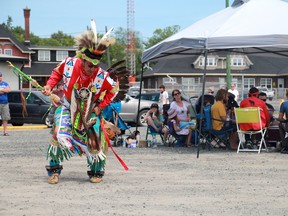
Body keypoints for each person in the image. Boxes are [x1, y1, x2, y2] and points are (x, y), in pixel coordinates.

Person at [41, 24, 120, 184]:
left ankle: (96, 171)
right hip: (67, 106)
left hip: (89, 110)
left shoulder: (102, 76)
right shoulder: (69, 64)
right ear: (83, 60)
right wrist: (49, 85)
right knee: (58, 133)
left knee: (95, 136)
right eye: (90, 65)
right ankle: (54, 170)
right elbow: (56, 73)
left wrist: (100, 106)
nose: (93, 69)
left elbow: (114, 90)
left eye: (96, 66)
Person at [0, 72, 11, 136]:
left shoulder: (5, 83)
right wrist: (4, 90)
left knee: (5, 118)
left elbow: (8, 90)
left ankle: (5, 131)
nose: (0, 78)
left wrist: (2, 91)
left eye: (0, 76)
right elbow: (5, 90)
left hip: (5, 103)